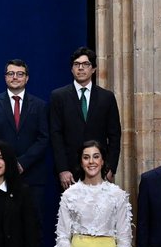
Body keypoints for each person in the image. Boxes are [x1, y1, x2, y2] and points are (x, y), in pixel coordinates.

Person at [0, 59, 51, 247]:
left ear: (27, 78)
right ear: (5, 78)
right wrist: (7, 163)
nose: (15, 77)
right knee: (2, 222)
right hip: (0, 175)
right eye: (10, 73)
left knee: (32, 223)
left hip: (32, 175)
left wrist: (22, 163)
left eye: (19, 74)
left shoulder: (39, 105)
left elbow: (43, 138)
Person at [49, 47, 122, 190]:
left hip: (100, 170)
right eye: (76, 64)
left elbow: (114, 135)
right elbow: (55, 135)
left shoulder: (106, 97)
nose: (81, 68)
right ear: (71, 69)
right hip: (69, 174)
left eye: (85, 64)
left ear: (93, 69)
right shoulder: (58, 96)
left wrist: (111, 168)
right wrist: (62, 169)